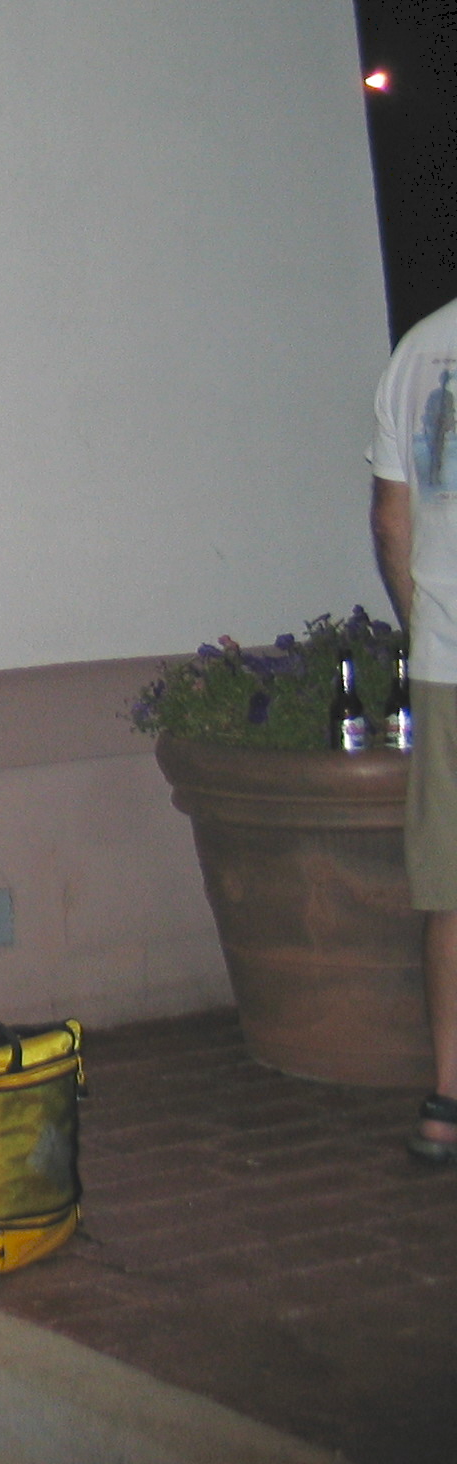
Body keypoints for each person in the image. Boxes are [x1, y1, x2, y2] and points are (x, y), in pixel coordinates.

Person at [369, 304, 457, 1165]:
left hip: (447, 662)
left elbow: (391, 521)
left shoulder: (419, 351)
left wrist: (423, 626)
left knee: (451, 888)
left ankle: (448, 1101)